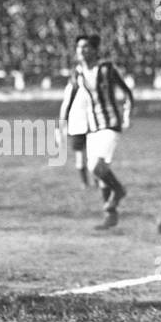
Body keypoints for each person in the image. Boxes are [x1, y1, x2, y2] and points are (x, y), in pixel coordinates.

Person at [61, 34, 133, 229]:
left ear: (94, 49)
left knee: (95, 166)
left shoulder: (107, 68)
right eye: (78, 48)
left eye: (85, 47)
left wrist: (127, 117)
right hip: (92, 127)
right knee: (100, 173)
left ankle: (118, 191)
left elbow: (127, 93)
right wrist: (63, 121)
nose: (81, 51)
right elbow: (70, 97)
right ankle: (110, 215)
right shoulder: (78, 72)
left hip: (110, 124)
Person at [57, 67, 93, 189]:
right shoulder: (72, 89)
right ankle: (85, 183)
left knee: (93, 156)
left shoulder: (89, 89)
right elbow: (65, 107)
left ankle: (97, 181)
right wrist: (61, 125)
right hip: (77, 127)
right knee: (81, 157)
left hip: (91, 126)